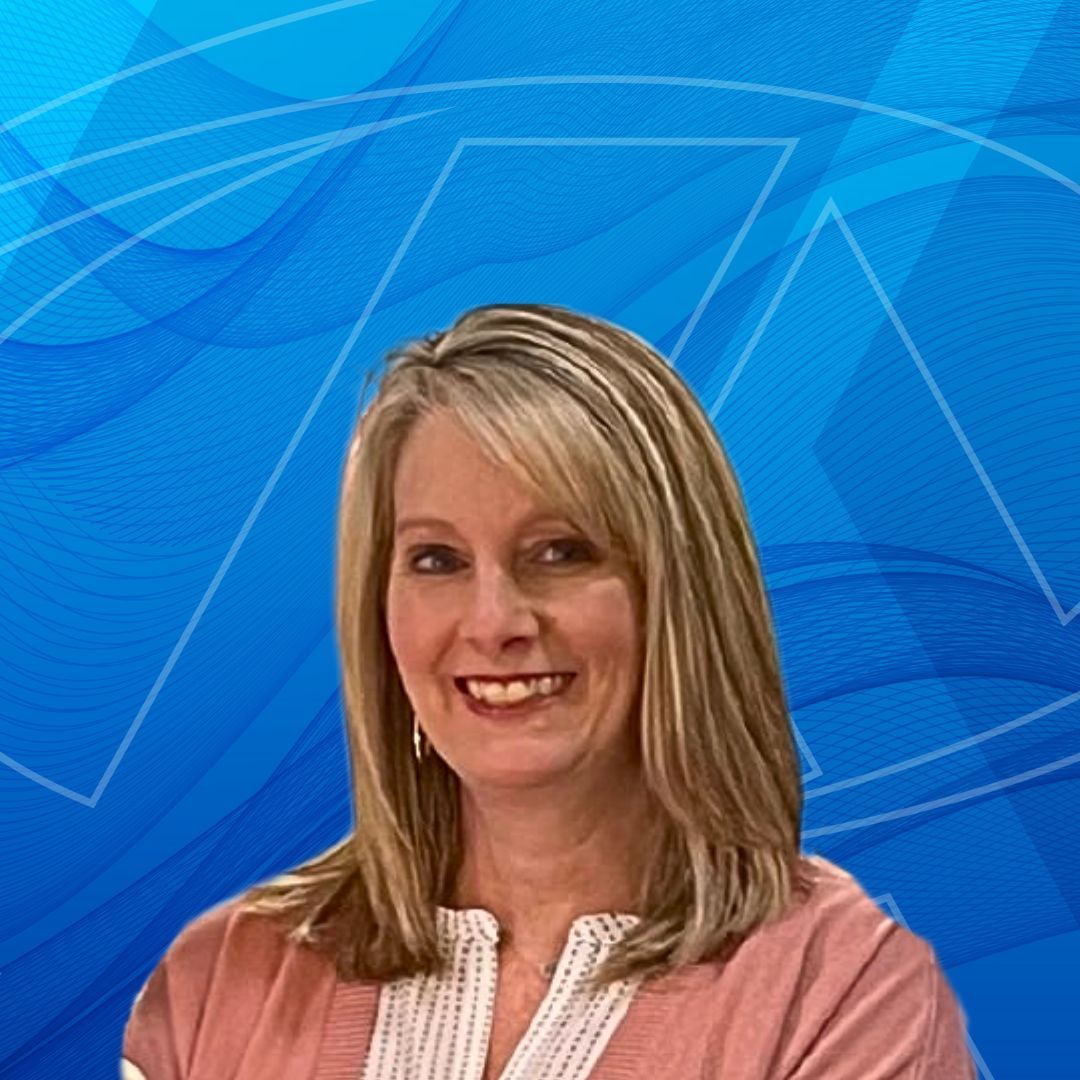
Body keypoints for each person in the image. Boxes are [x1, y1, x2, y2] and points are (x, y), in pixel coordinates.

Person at [122, 303, 976, 1079]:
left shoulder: (844, 996)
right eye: (437, 560)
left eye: (562, 551)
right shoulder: (218, 982)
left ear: (678, 594)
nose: (494, 622)